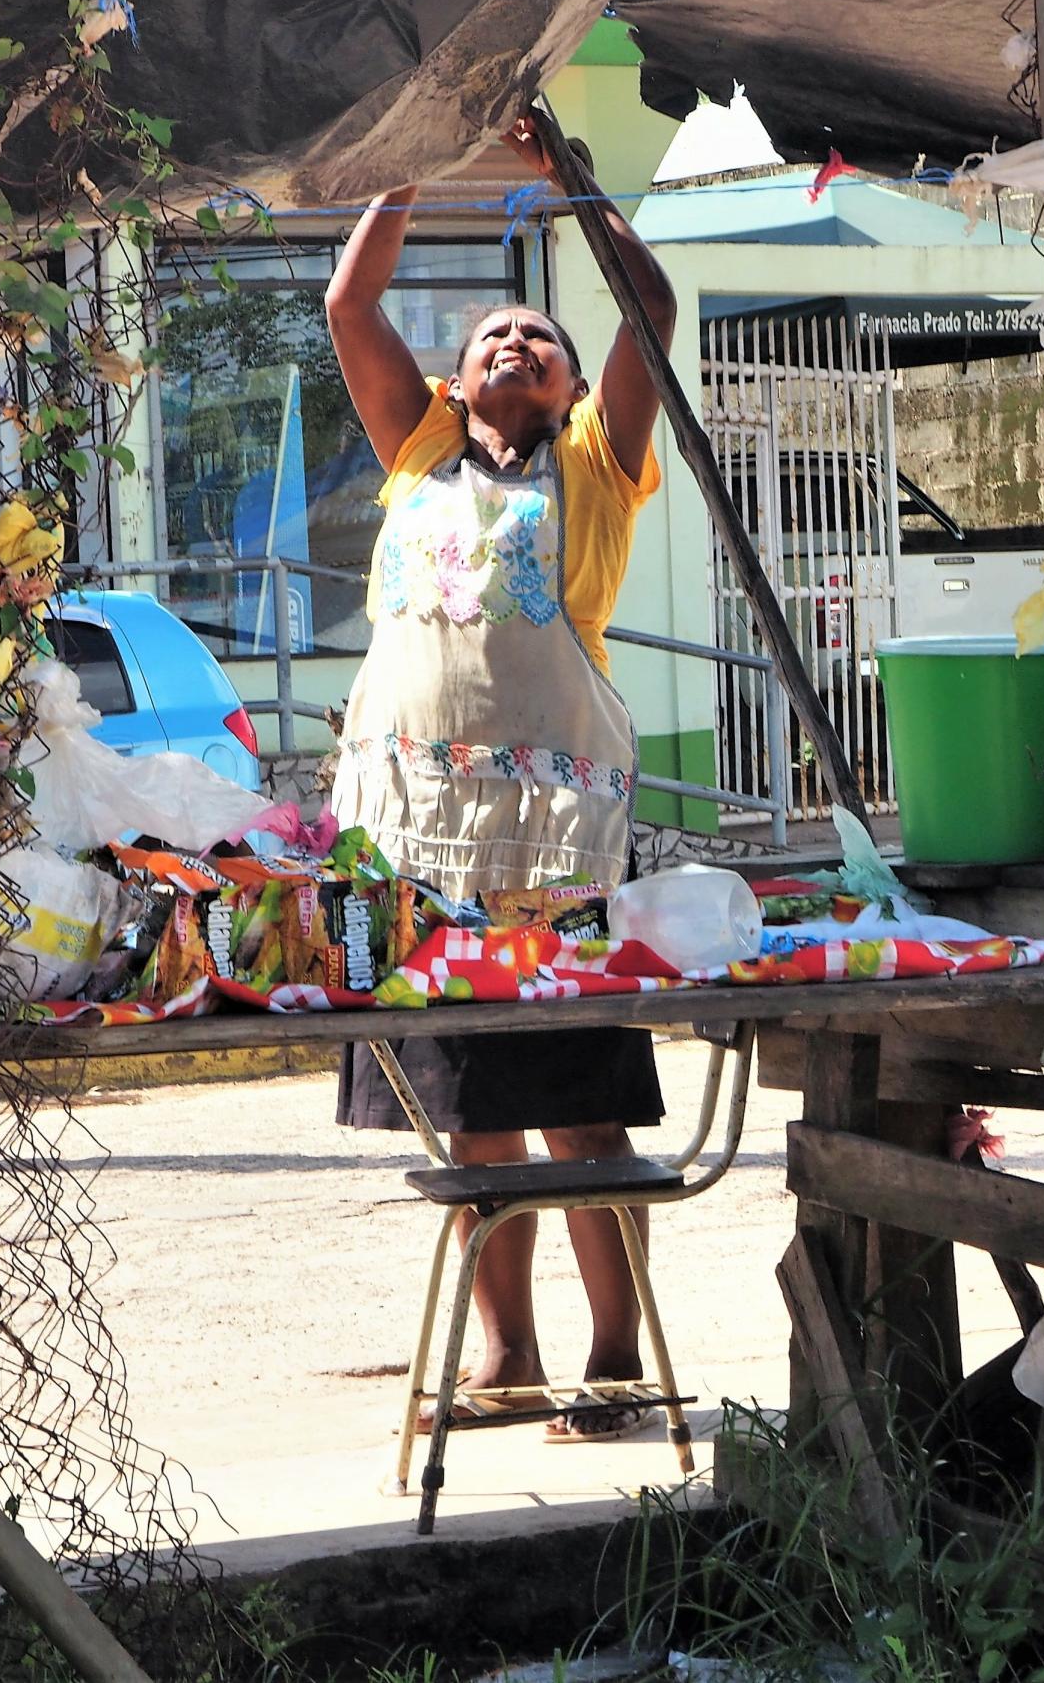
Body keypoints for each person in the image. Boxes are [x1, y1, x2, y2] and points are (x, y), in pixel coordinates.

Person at [325, 112, 677, 1440]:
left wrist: (572, 182)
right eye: (489, 340)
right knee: (471, 1117)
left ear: (576, 390)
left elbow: (652, 302)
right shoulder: (415, 449)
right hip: (412, 837)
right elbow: (350, 297)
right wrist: (411, 157)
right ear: (455, 388)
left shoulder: (601, 462)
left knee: (585, 1110)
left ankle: (613, 1350)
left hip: (551, 844)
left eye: (539, 338)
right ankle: (509, 1352)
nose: (514, 343)